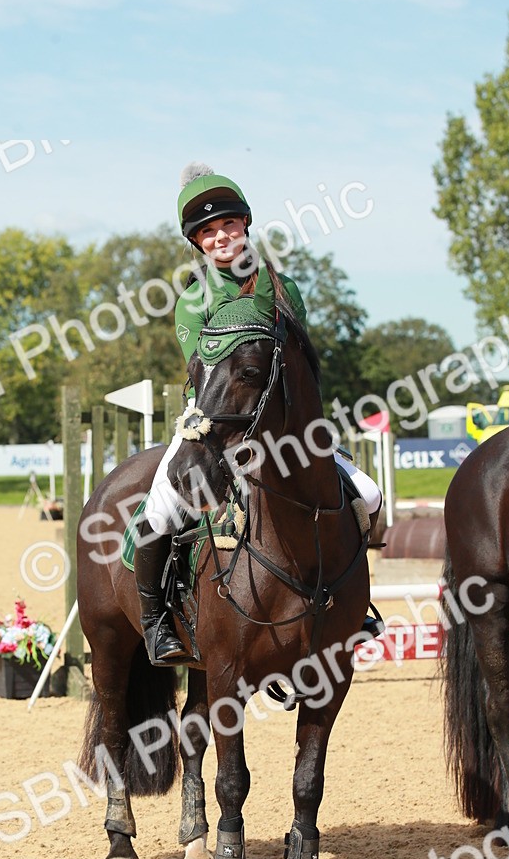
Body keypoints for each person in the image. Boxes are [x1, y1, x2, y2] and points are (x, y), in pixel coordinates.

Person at [134, 163, 383, 665]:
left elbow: (301, 365)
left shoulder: (284, 288)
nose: (221, 236)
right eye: (208, 231)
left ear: (245, 223)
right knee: (157, 514)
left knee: (369, 494)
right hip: (215, 426)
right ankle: (156, 620)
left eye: (228, 224)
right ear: (197, 242)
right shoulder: (192, 302)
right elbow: (204, 378)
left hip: (286, 423)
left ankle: (352, 606)